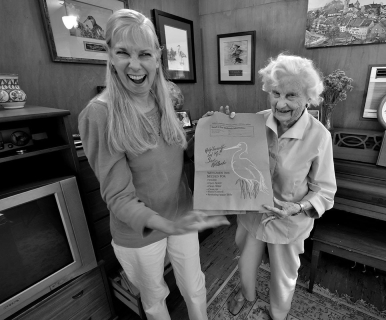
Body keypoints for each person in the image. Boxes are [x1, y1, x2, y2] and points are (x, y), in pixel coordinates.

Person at [78, 9, 228, 320]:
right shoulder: (99, 114)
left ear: (157, 57)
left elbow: (180, 153)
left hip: (180, 214)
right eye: (123, 53)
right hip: (141, 232)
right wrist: (166, 224)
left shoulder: (164, 97)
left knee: (194, 286)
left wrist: (209, 131)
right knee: (155, 299)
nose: (135, 64)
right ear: (109, 54)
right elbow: (118, 197)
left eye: (144, 53)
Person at [226, 53, 337, 319]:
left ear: (308, 98)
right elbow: (228, 159)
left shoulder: (319, 135)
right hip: (252, 213)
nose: (281, 103)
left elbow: (325, 190)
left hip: (288, 221)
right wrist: (216, 126)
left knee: (284, 276)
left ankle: (278, 314)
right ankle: (247, 293)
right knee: (246, 261)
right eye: (275, 93)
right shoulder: (255, 122)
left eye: (291, 95)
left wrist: (298, 207)